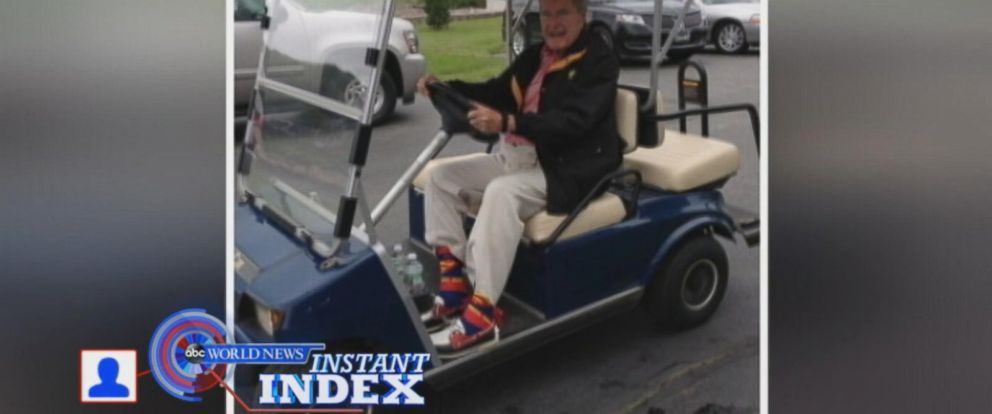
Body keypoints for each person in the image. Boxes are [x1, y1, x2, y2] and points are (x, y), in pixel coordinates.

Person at [416, 0, 621, 354]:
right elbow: (496, 92)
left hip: (569, 167)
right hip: (522, 158)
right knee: (441, 178)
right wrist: (446, 88)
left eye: (562, 14)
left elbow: (573, 123)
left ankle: (483, 311)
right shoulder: (535, 56)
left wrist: (510, 122)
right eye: (546, 14)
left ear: (583, 16)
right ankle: (453, 285)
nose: (553, 23)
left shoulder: (599, 61)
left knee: (500, 193)